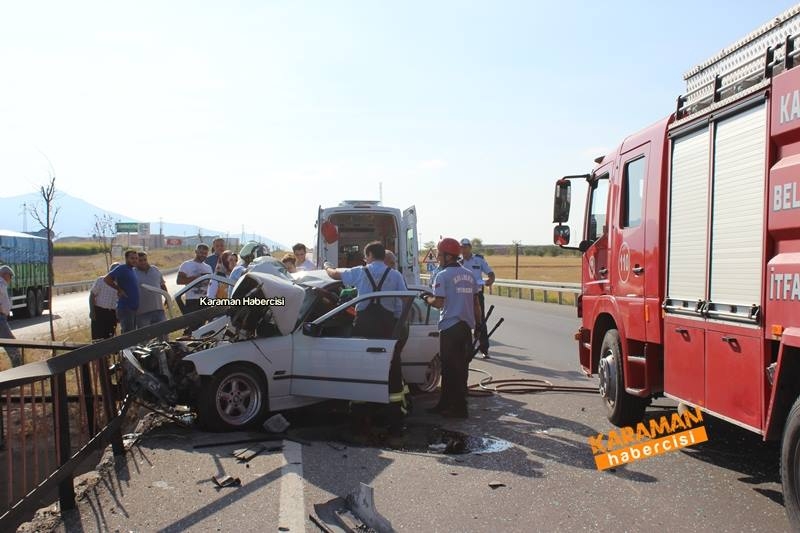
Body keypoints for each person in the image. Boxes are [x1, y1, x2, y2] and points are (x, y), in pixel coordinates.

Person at [326, 241, 409, 433]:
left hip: (364, 325)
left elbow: (335, 275)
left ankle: (360, 418)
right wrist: (399, 321)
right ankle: (394, 419)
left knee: (361, 368)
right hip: (388, 326)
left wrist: (327, 267)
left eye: (366, 256)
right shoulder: (395, 275)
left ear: (370, 254)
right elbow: (405, 300)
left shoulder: (361, 271)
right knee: (392, 367)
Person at [422, 238, 481, 419]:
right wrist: (479, 327)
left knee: (449, 368)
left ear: (448, 256)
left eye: (440, 254)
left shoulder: (443, 275)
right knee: (461, 368)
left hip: (449, 327)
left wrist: (426, 298)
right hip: (465, 328)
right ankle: (448, 404)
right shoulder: (469, 275)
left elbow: (439, 302)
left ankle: (457, 408)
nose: (438, 258)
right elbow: (476, 303)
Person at [459, 238, 495, 358]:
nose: (463, 249)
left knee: (480, 321)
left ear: (470, 247)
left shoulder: (478, 260)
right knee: (464, 321)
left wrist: (490, 279)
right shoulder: (458, 262)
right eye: (461, 247)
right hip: (463, 294)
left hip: (477, 293)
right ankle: (467, 349)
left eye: (465, 247)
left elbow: (490, 273)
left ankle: (484, 349)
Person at [104, 250, 140, 334]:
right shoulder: (122, 268)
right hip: (125, 307)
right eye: (132, 258)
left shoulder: (133, 270)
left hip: (133, 308)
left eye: (136, 258)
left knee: (132, 334)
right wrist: (119, 289)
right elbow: (107, 279)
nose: (135, 260)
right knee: (128, 335)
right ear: (126, 258)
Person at [177, 244, 213, 314]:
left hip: (205, 300)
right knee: (193, 324)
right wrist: (197, 278)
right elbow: (179, 281)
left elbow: (211, 284)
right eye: (201, 253)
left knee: (205, 324)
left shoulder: (208, 267)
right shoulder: (186, 265)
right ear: (196, 252)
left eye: (205, 253)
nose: (203, 255)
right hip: (192, 300)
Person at [135, 252, 167, 328]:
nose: (143, 262)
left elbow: (162, 285)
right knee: (145, 337)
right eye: (140, 260)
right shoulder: (133, 273)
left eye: (145, 260)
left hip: (158, 309)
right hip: (142, 312)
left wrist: (166, 298)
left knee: (164, 333)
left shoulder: (155, 269)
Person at [90, 262, 119, 340]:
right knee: (98, 337)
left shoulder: (120, 284)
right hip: (99, 312)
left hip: (112, 313)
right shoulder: (101, 280)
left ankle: (108, 352)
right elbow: (92, 295)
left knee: (109, 337)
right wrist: (92, 312)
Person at [0, 266, 22, 367]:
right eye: (10, 276)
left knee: (9, 342)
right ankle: (17, 370)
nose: (11, 278)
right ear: (5, 274)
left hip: (2, 317)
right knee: (11, 344)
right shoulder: (1, 283)